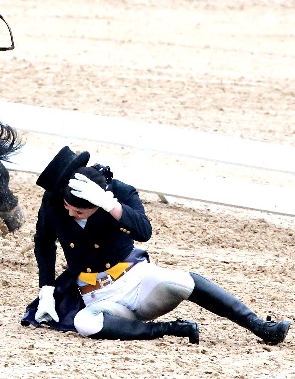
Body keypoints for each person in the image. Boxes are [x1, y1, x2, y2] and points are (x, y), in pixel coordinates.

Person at [21, 146, 291, 345]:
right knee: (85, 323)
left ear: (95, 204)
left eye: (79, 212)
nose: (70, 215)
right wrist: (46, 288)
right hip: (96, 294)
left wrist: (111, 206)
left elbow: (144, 232)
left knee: (184, 282)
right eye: (68, 208)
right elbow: (44, 242)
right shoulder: (55, 203)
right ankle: (170, 329)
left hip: (136, 279)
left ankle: (259, 326)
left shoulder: (120, 193)